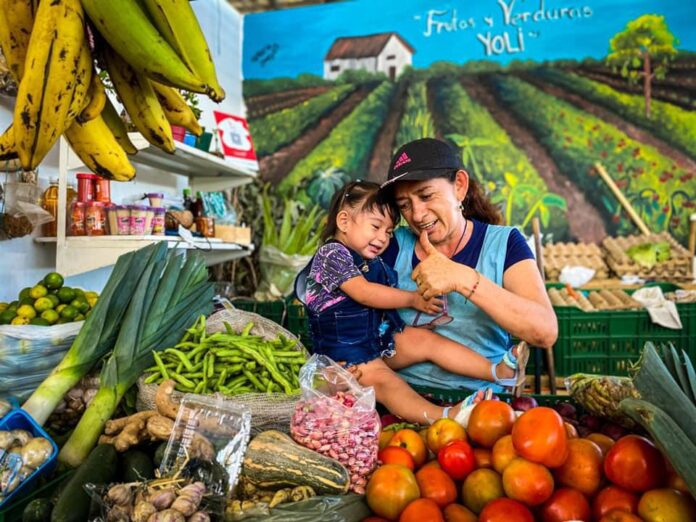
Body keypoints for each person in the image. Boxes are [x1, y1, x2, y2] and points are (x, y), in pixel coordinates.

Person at [294, 180, 526, 424]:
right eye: (375, 226)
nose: (382, 238)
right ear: (343, 222)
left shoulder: (367, 257)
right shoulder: (332, 254)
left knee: (426, 341)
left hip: (375, 338)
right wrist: (412, 299)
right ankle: (445, 416)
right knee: (388, 383)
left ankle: (499, 372)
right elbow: (364, 293)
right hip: (348, 355)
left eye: (389, 231)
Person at [378, 137, 557, 393]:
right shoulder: (391, 247)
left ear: (459, 186)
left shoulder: (504, 244)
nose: (417, 215)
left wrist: (462, 278)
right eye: (404, 205)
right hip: (404, 401)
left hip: (484, 409)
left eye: (426, 195)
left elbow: (544, 331)